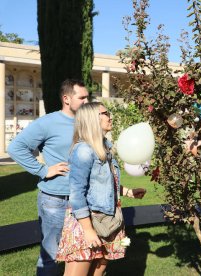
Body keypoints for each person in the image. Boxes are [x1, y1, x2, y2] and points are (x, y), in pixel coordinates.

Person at [7, 79, 89, 275]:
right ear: (66, 98)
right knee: (51, 254)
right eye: (82, 97)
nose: (87, 101)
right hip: (56, 200)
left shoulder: (87, 122)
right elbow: (15, 148)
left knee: (81, 250)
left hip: (84, 199)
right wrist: (43, 170)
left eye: (88, 97)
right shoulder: (48, 122)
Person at [56, 102, 146, 276]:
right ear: (92, 120)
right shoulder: (83, 150)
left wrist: (128, 192)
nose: (110, 116)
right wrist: (88, 231)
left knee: (99, 269)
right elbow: (76, 194)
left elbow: (103, 184)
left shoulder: (106, 148)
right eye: (105, 113)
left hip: (107, 221)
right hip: (86, 222)